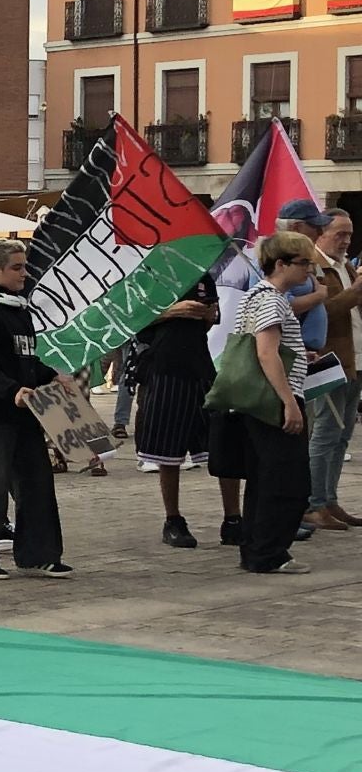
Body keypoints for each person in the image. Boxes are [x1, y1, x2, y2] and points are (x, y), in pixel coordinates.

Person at [0, 240, 70, 579]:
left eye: (24, 266)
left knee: (37, 482)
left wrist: (51, 376)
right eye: (17, 267)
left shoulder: (19, 309)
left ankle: (39, 554)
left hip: (26, 410)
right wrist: (10, 390)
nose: (24, 273)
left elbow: (25, 358)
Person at [234, 232, 317, 574]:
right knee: (287, 479)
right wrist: (289, 403)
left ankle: (256, 548)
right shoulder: (272, 300)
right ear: (280, 264)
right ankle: (270, 552)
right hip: (273, 399)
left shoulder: (255, 295)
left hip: (257, 399)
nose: (309, 270)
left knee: (264, 476)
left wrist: (298, 356)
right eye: (303, 263)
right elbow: (266, 353)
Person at [133, 271, 222, 548]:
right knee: (167, 449)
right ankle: (173, 520)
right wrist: (172, 311)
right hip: (164, 366)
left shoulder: (202, 275)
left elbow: (211, 318)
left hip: (201, 364)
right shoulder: (149, 274)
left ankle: (233, 518)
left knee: (222, 443)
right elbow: (133, 323)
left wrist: (207, 315)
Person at [307, 211, 362, 528]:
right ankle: (314, 504)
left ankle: (329, 499)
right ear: (321, 233)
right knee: (326, 433)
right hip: (330, 360)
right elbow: (319, 312)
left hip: (355, 359)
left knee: (343, 435)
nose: (346, 241)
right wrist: (353, 294)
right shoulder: (314, 266)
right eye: (340, 233)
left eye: (350, 234)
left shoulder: (346, 266)